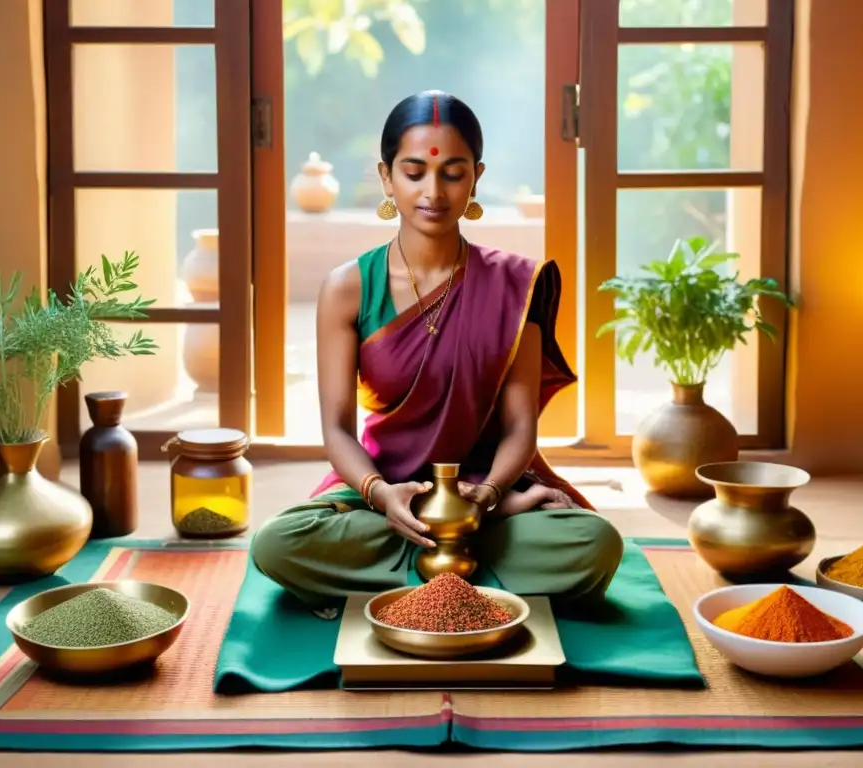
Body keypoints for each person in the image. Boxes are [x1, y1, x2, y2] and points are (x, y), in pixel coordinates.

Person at [251, 90, 623, 618]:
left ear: (476, 177)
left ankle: (413, 576)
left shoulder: (514, 285)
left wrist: (491, 498)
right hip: (382, 499)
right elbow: (336, 429)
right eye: (414, 172)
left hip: (484, 501)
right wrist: (382, 495)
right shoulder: (348, 288)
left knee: (596, 543)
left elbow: (520, 429)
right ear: (386, 177)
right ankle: (465, 575)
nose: (433, 191)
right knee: (279, 543)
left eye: (453, 172)